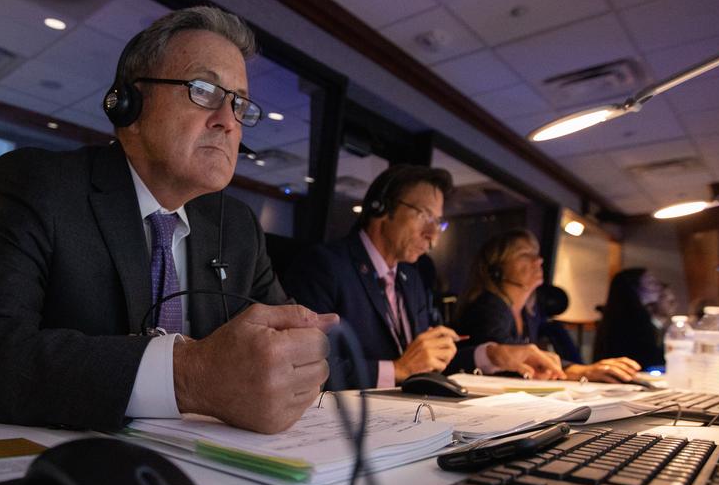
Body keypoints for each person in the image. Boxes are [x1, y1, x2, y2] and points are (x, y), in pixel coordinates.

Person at [0, 6, 335, 434]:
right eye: (204, 89)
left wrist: (298, 356)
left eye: (239, 103)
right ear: (127, 109)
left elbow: (293, 349)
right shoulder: (44, 186)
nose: (228, 121)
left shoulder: (239, 226)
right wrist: (186, 375)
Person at [283, 164, 568, 389]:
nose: (432, 236)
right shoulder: (324, 265)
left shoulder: (412, 277)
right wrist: (397, 370)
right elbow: (300, 364)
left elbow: (435, 358)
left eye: (438, 222)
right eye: (424, 216)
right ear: (381, 207)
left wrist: (493, 354)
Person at [456, 229, 640, 383]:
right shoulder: (488, 307)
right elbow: (512, 357)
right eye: (525, 254)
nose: (538, 261)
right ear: (496, 269)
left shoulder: (530, 313)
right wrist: (580, 371)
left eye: (536, 254)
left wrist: (580, 369)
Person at [593, 268, 675, 369]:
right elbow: (649, 360)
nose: (658, 287)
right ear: (634, 288)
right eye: (651, 282)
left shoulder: (644, 320)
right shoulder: (627, 323)